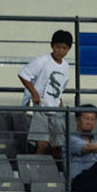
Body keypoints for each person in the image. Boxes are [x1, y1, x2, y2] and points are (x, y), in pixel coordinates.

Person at [18, 29, 74, 157]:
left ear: (69, 49)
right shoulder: (42, 61)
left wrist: (60, 103)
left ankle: (56, 172)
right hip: (40, 108)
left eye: (64, 48)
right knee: (42, 143)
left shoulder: (65, 66)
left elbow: (60, 88)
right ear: (52, 46)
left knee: (58, 145)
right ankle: (37, 170)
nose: (60, 51)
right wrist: (34, 93)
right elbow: (23, 74)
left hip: (54, 108)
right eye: (58, 47)